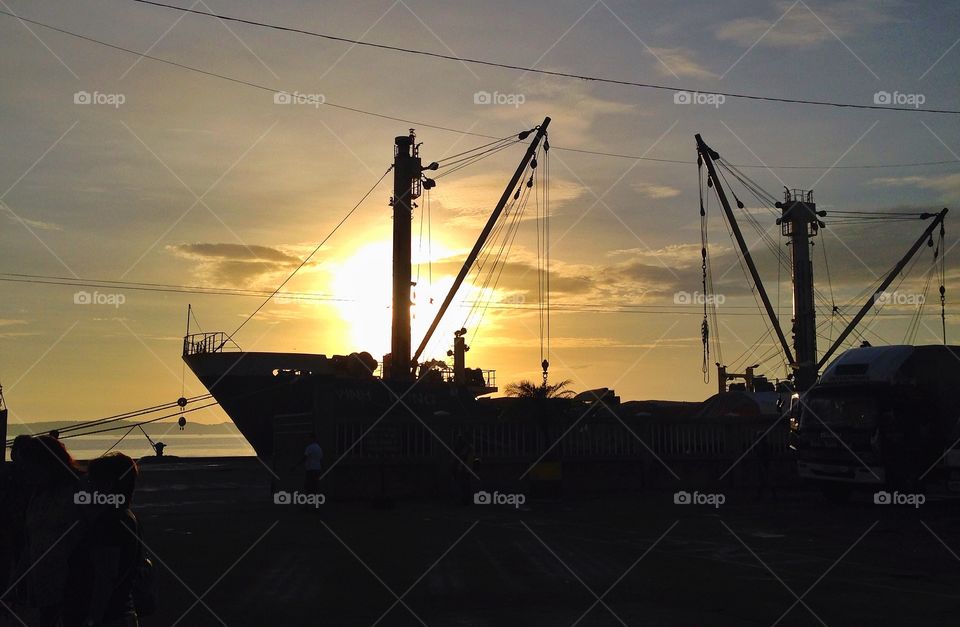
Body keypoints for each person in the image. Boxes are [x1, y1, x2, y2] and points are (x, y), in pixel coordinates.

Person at [7, 436, 83, 627]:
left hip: (70, 585)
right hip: (44, 585)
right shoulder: (39, 494)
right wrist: (17, 578)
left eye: (30, 467)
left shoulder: (77, 492)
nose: (25, 473)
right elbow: (32, 540)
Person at [64, 453, 142, 627]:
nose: (86, 486)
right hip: (120, 612)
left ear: (107, 485)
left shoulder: (109, 523)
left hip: (107, 616)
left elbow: (105, 577)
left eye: (92, 481)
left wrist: (93, 617)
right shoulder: (126, 517)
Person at [452, 436, 476, 506]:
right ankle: (465, 500)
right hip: (466, 469)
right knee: (465, 485)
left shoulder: (467, 448)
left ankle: (465, 500)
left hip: (464, 469)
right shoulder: (469, 448)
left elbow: (463, 458)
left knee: (464, 485)